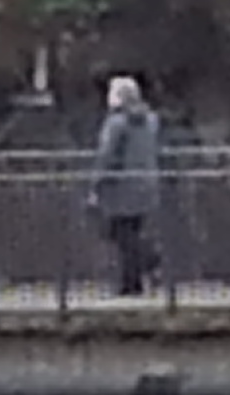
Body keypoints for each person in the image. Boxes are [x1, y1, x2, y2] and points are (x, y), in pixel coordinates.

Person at [86, 75, 164, 297]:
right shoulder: (151, 120)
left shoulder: (116, 123)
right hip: (147, 182)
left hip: (120, 185)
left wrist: (96, 184)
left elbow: (106, 155)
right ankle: (133, 283)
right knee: (131, 232)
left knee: (120, 234)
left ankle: (148, 263)